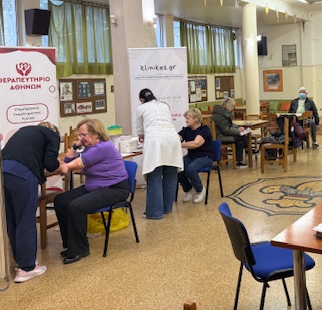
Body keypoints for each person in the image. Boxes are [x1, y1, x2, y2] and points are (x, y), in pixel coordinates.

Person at [55, 118, 129, 264]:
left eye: (83, 135)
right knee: (61, 200)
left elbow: (75, 164)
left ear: (96, 134)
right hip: (95, 187)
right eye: (79, 135)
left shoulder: (103, 147)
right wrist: (75, 146)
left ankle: (80, 249)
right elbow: (68, 161)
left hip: (114, 189)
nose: (81, 138)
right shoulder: (89, 148)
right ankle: (70, 244)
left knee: (76, 206)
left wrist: (64, 167)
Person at [1, 121, 65, 282]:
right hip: (22, 176)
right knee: (26, 220)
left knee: (12, 219)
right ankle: (27, 268)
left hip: (1, 173)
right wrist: (61, 165)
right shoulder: (52, 135)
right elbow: (50, 164)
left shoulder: (23, 132)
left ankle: (21, 261)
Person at [135, 88, 184, 219]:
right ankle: (167, 208)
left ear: (141, 99)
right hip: (172, 138)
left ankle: (155, 213)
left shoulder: (141, 108)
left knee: (154, 175)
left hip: (155, 140)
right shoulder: (164, 105)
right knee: (170, 174)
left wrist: (141, 136)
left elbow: (140, 130)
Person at [178, 108, 214, 204]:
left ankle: (200, 189)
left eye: (188, 118)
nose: (186, 120)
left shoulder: (204, 130)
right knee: (177, 167)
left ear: (196, 119)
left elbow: (196, 144)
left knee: (190, 169)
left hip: (205, 157)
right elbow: (178, 138)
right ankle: (189, 189)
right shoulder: (186, 130)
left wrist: (178, 144)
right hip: (191, 156)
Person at [212, 98, 249, 167]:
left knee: (240, 141)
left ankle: (239, 161)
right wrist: (238, 131)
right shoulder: (219, 116)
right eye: (232, 106)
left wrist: (238, 128)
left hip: (224, 135)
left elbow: (230, 125)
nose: (233, 108)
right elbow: (226, 130)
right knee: (242, 137)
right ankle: (249, 150)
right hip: (220, 137)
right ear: (227, 105)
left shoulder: (224, 114)